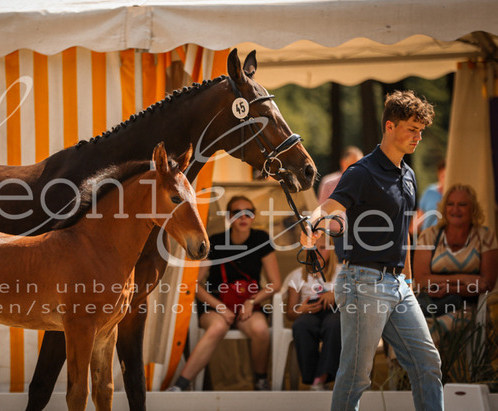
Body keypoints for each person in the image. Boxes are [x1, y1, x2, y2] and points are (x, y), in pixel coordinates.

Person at [300, 90, 443, 411]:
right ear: (390, 126)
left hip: (399, 285)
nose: (418, 137)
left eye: (421, 130)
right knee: (356, 376)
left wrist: (408, 281)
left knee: (428, 363)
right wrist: (311, 224)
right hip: (362, 282)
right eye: (412, 129)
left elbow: (404, 234)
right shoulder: (361, 172)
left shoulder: (409, 175)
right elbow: (328, 207)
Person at [167, 195, 281, 391]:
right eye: (237, 212)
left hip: (247, 304)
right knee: (217, 327)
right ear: (229, 216)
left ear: (254, 216)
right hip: (216, 303)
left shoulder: (260, 239)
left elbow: (275, 283)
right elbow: (193, 284)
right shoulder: (216, 241)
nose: (243, 217)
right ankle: (180, 385)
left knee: (260, 330)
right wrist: (219, 306)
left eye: (249, 212)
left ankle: (261, 382)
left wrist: (252, 302)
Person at [414, 184, 498, 336]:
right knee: (410, 329)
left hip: (468, 308)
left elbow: (487, 283)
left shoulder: (485, 236)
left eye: (462, 204)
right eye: (450, 204)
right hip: (431, 305)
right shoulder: (429, 235)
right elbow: (421, 280)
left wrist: (451, 289)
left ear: (473, 209)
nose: (455, 209)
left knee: (429, 331)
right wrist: (464, 279)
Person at [286, 239, 341, 391]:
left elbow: (354, 298)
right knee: (301, 326)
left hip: (335, 310)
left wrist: (335, 294)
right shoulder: (298, 275)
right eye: (313, 248)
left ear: (331, 250)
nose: (317, 252)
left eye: (323, 248)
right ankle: (312, 378)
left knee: (335, 325)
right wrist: (301, 309)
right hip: (309, 311)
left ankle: (322, 377)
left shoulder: (342, 273)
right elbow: (290, 313)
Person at [317, 146, 363, 261]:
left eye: (360, 164)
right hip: (334, 236)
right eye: (353, 163)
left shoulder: (364, 184)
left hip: (357, 236)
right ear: (343, 163)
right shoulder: (329, 182)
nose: (357, 167)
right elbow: (321, 210)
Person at [412, 160, 446, 234]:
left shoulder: (456, 197)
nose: (445, 180)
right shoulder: (429, 192)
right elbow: (416, 222)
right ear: (438, 175)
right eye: (443, 176)